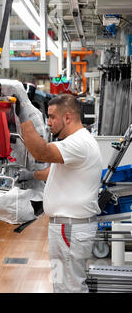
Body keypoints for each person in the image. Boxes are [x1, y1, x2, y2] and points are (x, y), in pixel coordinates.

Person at [16, 93, 102, 293]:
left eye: (52, 117)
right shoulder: (77, 141)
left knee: (70, 287)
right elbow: (53, 171)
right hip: (65, 228)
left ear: (68, 117)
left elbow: (42, 152)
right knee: (61, 284)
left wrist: (22, 119)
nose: (48, 123)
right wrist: (30, 175)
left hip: (69, 229)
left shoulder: (79, 142)